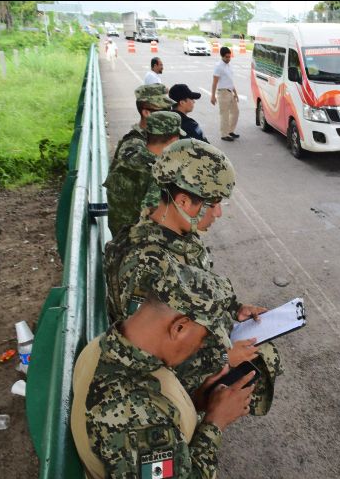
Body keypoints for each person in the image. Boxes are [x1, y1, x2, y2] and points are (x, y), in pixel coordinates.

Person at [104, 139, 282, 414]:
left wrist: (234, 308)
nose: (219, 213)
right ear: (183, 201)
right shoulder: (146, 266)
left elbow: (192, 288)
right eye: (213, 204)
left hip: (202, 350)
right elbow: (152, 363)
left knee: (261, 349)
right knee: (259, 358)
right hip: (175, 394)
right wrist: (223, 359)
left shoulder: (176, 233)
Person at [71, 262, 256, 479]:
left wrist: (194, 403)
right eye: (204, 337)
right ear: (179, 328)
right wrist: (215, 423)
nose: (201, 346)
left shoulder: (104, 346)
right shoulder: (137, 417)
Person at [104, 111, 185, 236]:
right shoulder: (158, 176)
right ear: (174, 140)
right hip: (139, 244)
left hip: (117, 236)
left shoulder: (129, 158)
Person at [110, 83, 174, 169]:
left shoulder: (158, 136)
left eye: (169, 109)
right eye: (164, 110)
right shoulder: (132, 145)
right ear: (146, 113)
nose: (169, 114)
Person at [210, 47, 240, 142]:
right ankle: (224, 134)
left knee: (235, 112)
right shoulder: (219, 66)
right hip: (222, 93)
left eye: (229, 56)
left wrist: (235, 93)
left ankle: (230, 131)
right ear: (222, 56)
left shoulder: (228, 65)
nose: (228, 59)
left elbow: (230, 80)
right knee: (225, 115)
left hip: (230, 92)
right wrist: (213, 96)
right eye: (226, 57)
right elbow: (214, 82)